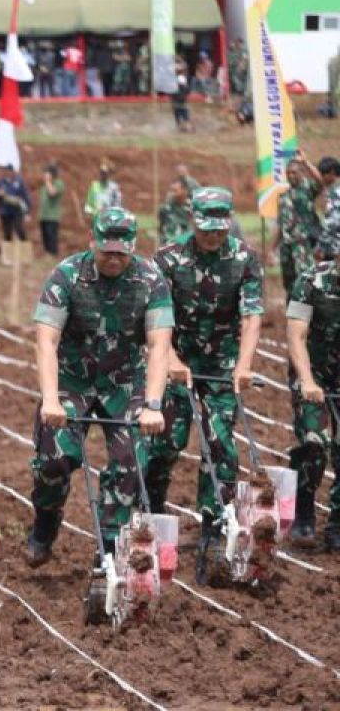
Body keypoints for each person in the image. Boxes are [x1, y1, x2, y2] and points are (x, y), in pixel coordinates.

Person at [25, 207, 171, 567]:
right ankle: (45, 523)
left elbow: (158, 346)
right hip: (72, 379)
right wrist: (49, 400)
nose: (113, 259)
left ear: (133, 249)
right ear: (92, 242)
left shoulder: (151, 280)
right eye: (106, 251)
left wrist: (152, 403)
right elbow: (46, 341)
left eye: (122, 252)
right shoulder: (67, 275)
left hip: (125, 381)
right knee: (54, 459)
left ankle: (108, 550)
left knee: (131, 462)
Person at [146, 188, 263, 583]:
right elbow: (156, 318)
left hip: (221, 367)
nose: (212, 238)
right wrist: (173, 363)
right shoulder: (167, 259)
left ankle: (212, 532)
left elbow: (250, 317)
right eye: (205, 230)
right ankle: (152, 508)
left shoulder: (245, 259)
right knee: (165, 441)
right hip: (176, 361)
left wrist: (244, 365)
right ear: (192, 221)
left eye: (218, 231)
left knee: (220, 448)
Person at [285, 242, 340, 550]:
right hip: (312, 373)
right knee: (314, 443)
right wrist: (306, 380)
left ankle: (337, 524)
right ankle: (304, 507)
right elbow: (296, 334)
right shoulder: (310, 281)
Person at [274, 153, 323, 296]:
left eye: (294, 172)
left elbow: (320, 182)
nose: (290, 176)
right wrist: (272, 248)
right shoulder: (283, 197)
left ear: (301, 173)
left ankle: (308, 312)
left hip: (302, 243)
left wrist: (306, 162)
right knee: (288, 280)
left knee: (305, 277)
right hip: (286, 244)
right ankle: (292, 311)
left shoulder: (307, 189)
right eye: (288, 173)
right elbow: (281, 224)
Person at [0, 163, 31, 247]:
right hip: (5, 211)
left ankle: (25, 249)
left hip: (17, 210)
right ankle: (8, 254)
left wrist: (27, 211)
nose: (8, 173)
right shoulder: (0, 183)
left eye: (10, 171)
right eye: (6, 171)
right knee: (7, 232)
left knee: (19, 229)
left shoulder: (19, 182)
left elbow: (25, 196)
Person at [157, 169, 198, 246]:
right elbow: (161, 228)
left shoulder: (193, 208)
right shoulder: (165, 208)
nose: (171, 194)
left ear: (185, 191)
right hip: (168, 247)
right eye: (171, 190)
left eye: (175, 191)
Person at [313, 156, 340, 259]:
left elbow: (333, 223)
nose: (320, 177)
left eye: (322, 174)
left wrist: (319, 247)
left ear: (332, 173)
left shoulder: (335, 193)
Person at [38, 163, 65, 256]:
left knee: (51, 237)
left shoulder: (58, 183)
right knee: (45, 237)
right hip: (44, 216)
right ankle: (47, 254)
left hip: (52, 216)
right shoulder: (44, 185)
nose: (44, 175)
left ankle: (53, 255)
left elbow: (52, 193)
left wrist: (48, 181)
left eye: (46, 173)